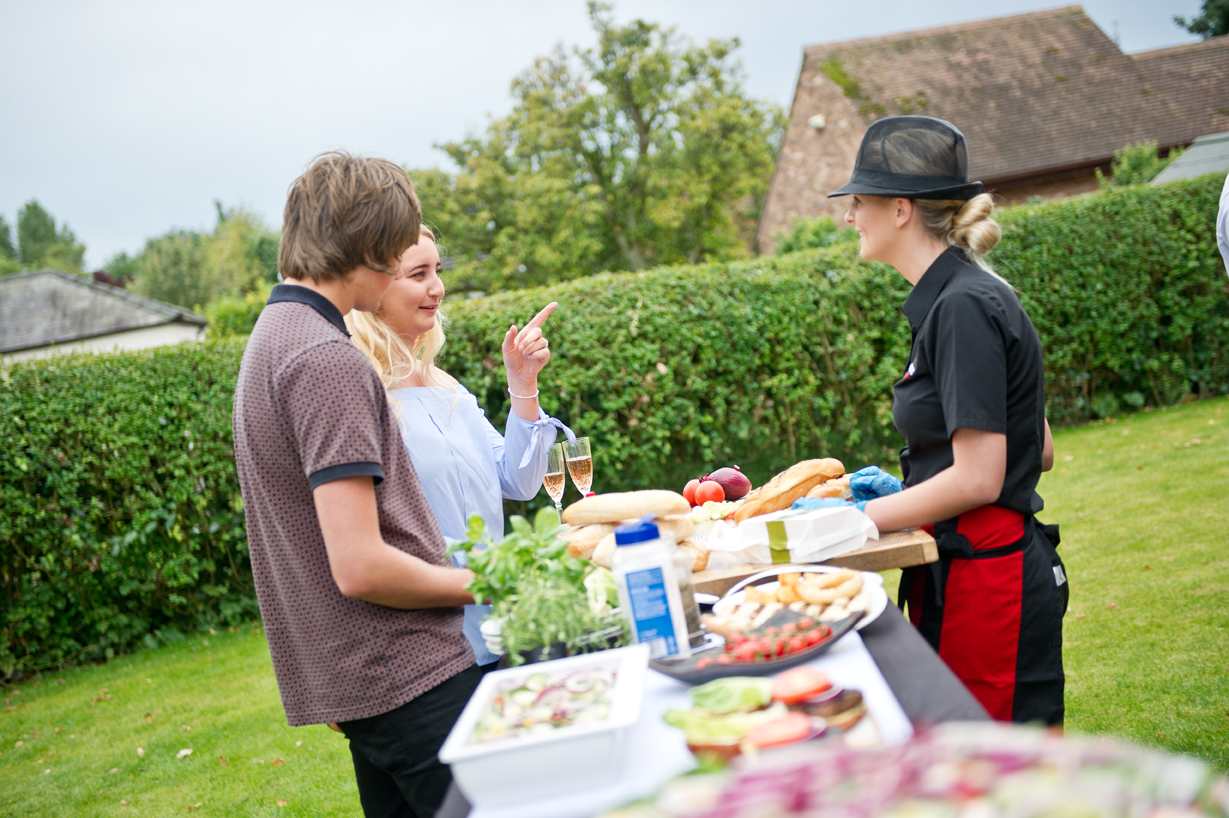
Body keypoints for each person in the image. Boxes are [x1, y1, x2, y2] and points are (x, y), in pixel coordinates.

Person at [232, 151, 479, 818]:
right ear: (369, 247)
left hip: (364, 683)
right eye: (399, 249)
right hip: (406, 676)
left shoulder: (273, 337)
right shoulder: (325, 359)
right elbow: (360, 566)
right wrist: (491, 582)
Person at [811, 117, 1068, 725]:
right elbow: (1042, 445)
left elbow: (981, 479)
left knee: (989, 775)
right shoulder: (960, 295)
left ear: (901, 210)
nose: (850, 217)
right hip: (967, 565)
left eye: (858, 202)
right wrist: (910, 493)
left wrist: (854, 521)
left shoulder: (960, 306)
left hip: (989, 579)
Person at [345, 226, 571, 668]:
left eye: (438, 270)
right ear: (376, 287)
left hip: (507, 625)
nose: (438, 287)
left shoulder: (445, 386)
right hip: (437, 643)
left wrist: (523, 384)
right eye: (418, 274)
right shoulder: (363, 396)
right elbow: (389, 538)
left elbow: (518, 481)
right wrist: (514, 561)